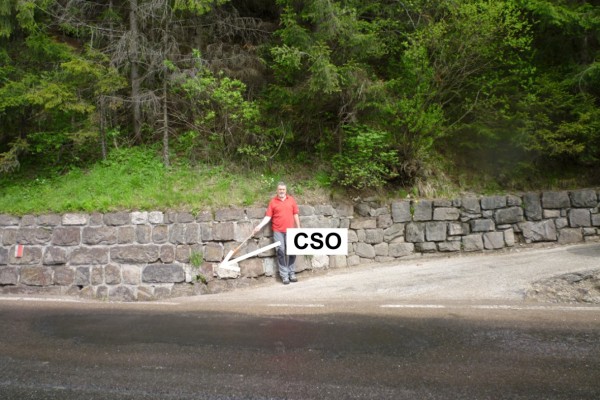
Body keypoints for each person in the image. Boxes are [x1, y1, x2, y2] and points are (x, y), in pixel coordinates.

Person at [252, 182, 300, 285]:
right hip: (278, 231)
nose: (281, 191)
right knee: (281, 252)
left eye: (283, 189)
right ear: (277, 190)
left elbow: (295, 214)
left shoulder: (291, 200)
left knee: (292, 251)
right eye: (280, 189)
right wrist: (259, 226)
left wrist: (299, 228)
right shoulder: (273, 202)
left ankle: (291, 273)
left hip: (291, 230)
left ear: (286, 190)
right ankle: (284, 275)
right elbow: (268, 217)